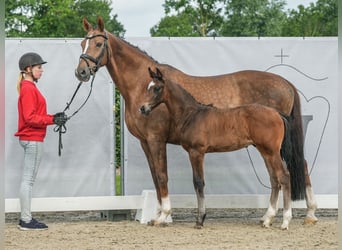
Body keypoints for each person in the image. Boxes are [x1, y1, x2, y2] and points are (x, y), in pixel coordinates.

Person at [14, 52, 67, 230]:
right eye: (39, 67)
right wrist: (52, 120)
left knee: (27, 180)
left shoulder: (29, 87)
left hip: (31, 138)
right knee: (28, 181)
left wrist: (54, 117)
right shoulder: (28, 88)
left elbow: (35, 115)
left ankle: (26, 218)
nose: (41, 71)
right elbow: (30, 118)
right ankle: (26, 220)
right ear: (29, 69)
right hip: (32, 138)